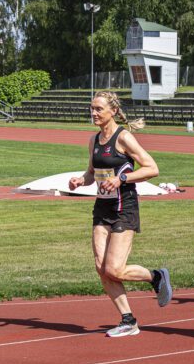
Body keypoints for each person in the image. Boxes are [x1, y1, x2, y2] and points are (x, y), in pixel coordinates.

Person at [68, 91, 173, 338]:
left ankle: (155, 276)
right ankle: (128, 319)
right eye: (91, 109)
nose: (93, 113)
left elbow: (152, 168)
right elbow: (92, 173)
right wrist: (80, 180)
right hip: (102, 208)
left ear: (113, 111)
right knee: (100, 267)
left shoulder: (123, 137)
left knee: (114, 269)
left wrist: (121, 178)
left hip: (124, 207)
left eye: (98, 109)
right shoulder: (94, 140)